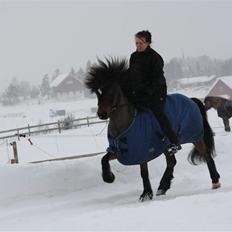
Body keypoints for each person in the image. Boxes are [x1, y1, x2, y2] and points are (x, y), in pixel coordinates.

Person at [129, 30, 180, 154]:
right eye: (136, 43)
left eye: (141, 43)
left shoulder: (155, 57)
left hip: (157, 90)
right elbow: (131, 75)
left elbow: (157, 79)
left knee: (157, 111)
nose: (138, 46)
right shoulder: (133, 56)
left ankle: (174, 142)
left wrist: (146, 91)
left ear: (148, 43)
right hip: (139, 90)